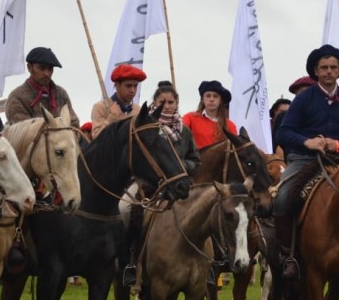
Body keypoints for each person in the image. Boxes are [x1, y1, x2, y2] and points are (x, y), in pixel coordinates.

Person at [274, 45, 339, 279]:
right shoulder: (303, 99)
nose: (328, 71)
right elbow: (283, 133)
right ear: (316, 71)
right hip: (305, 159)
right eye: (323, 67)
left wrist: (338, 144)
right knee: (282, 197)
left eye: (333, 67)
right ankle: (288, 255)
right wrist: (307, 142)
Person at [121, 81, 201, 286]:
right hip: (147, 184)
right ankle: (130, 260)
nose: (167, 105)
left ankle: (206, 262)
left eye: (171, 101)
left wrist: (180, 165)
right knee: (125, 209)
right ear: (155, 104)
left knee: (206, 209)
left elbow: (196, 160)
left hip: (178, 184)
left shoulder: (184, 131)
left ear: (177, 103)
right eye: (162, 102)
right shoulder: (148, 127)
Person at [4, 47, 80, 128]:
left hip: (63, 140)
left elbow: (74, 123)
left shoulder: (61, 94)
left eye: (50, 69)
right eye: (42, 68)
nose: (46, 73)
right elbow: (24, 131)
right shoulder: (17, 97)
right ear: (29, 67)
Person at [90, 64, 146, 139]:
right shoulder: (100, 107)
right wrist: (111, 118)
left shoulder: (137, 109)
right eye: (128, 86)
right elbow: (96, 138)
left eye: (135, 86)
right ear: (117, 85)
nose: (132, 90)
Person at [182, 80, 238, 149]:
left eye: (215, 96)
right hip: (195, 159)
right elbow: (179, 132)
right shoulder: (190, 118)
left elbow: (235, 150)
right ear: (203, 99)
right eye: (208, 96)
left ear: (220, 100)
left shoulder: (230, 125)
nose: (211, 99)